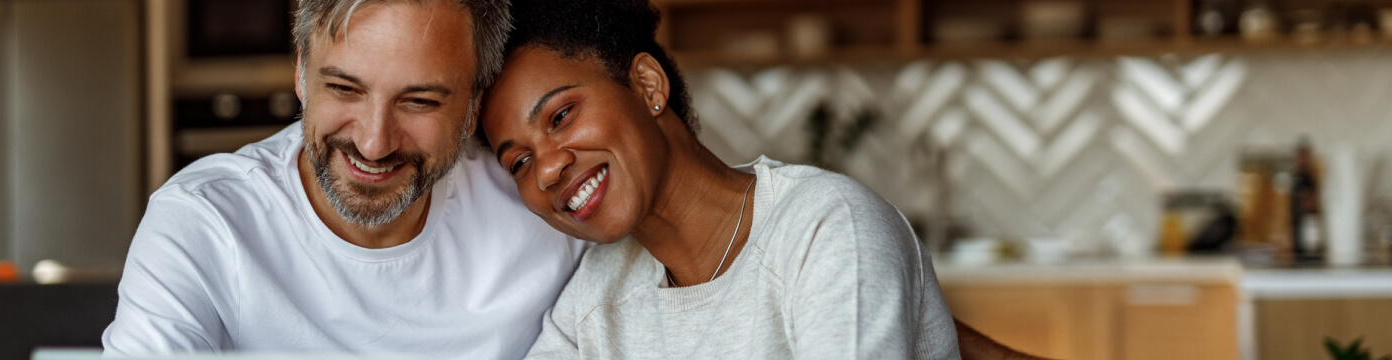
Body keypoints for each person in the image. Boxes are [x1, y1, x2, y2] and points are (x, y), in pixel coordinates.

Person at [100, 0, 586, 357]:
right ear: (300, 73)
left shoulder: (545, 216)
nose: (374, 144)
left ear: (474, 105)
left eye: (420, 101)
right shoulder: (205, 223)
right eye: (343, 89)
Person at [476, 0, 961, 358]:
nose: (546, 169)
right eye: (518, 162)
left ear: (647, 86)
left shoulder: (828, 229)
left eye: (561, 116)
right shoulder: (594, 299)